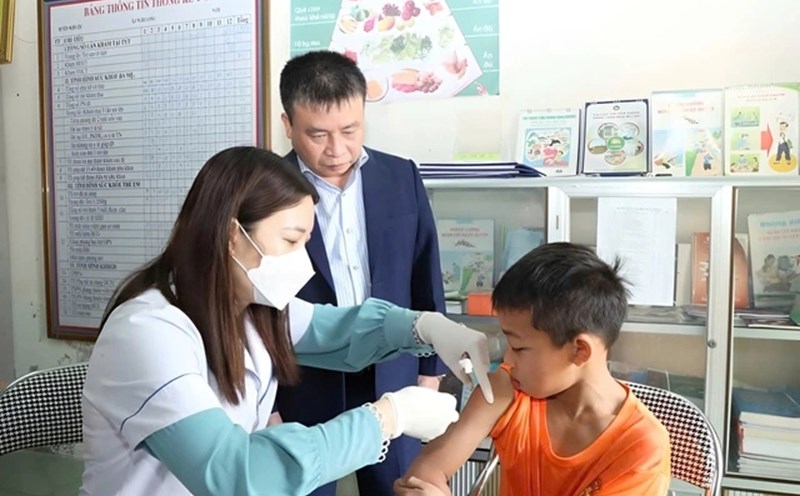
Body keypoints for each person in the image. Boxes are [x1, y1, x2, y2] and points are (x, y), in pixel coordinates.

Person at [80, 147, 494, 496]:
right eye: (291, 240)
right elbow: (236, 474)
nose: (302, 262)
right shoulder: (148, 333)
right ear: (232, 235)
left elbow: (340, 330)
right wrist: (388, 417)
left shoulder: (247, 307)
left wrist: (423, 328)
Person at [274, 50, 449, 496]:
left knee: (397, 490)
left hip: (393, 376)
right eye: (317, 135)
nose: (337, 149)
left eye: (350, 130)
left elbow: (424, 275)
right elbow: (253, 306)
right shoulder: (262, 189)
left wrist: (429, 373)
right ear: (287, 125)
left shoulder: (399, 176)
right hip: (303, 384)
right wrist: (266, 404)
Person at [395, 242, 671, 496]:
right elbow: (424, 475)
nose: (508, 360)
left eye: (520, 347)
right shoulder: (508, 389)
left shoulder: (641, 448)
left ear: (579, 351)